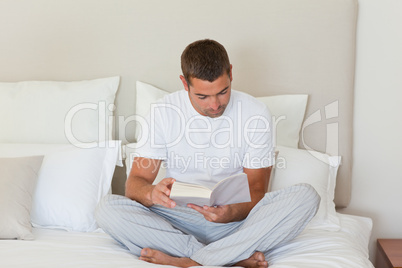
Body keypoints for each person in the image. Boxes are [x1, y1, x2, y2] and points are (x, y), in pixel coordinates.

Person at [96, 39, 320, 268]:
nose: (214, 105)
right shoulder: (163, 112)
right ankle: (227, 258)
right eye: (202, 96)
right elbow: (135, 184)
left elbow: (257, 190)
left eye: (223, 92)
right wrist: (153, 193)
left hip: (235, 224)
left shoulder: (256, 113)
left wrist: (231, 212)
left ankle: (186, 261)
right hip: (177, 220)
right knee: (107, 210)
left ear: (231, 73)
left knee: (306, 197)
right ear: (185, 83)